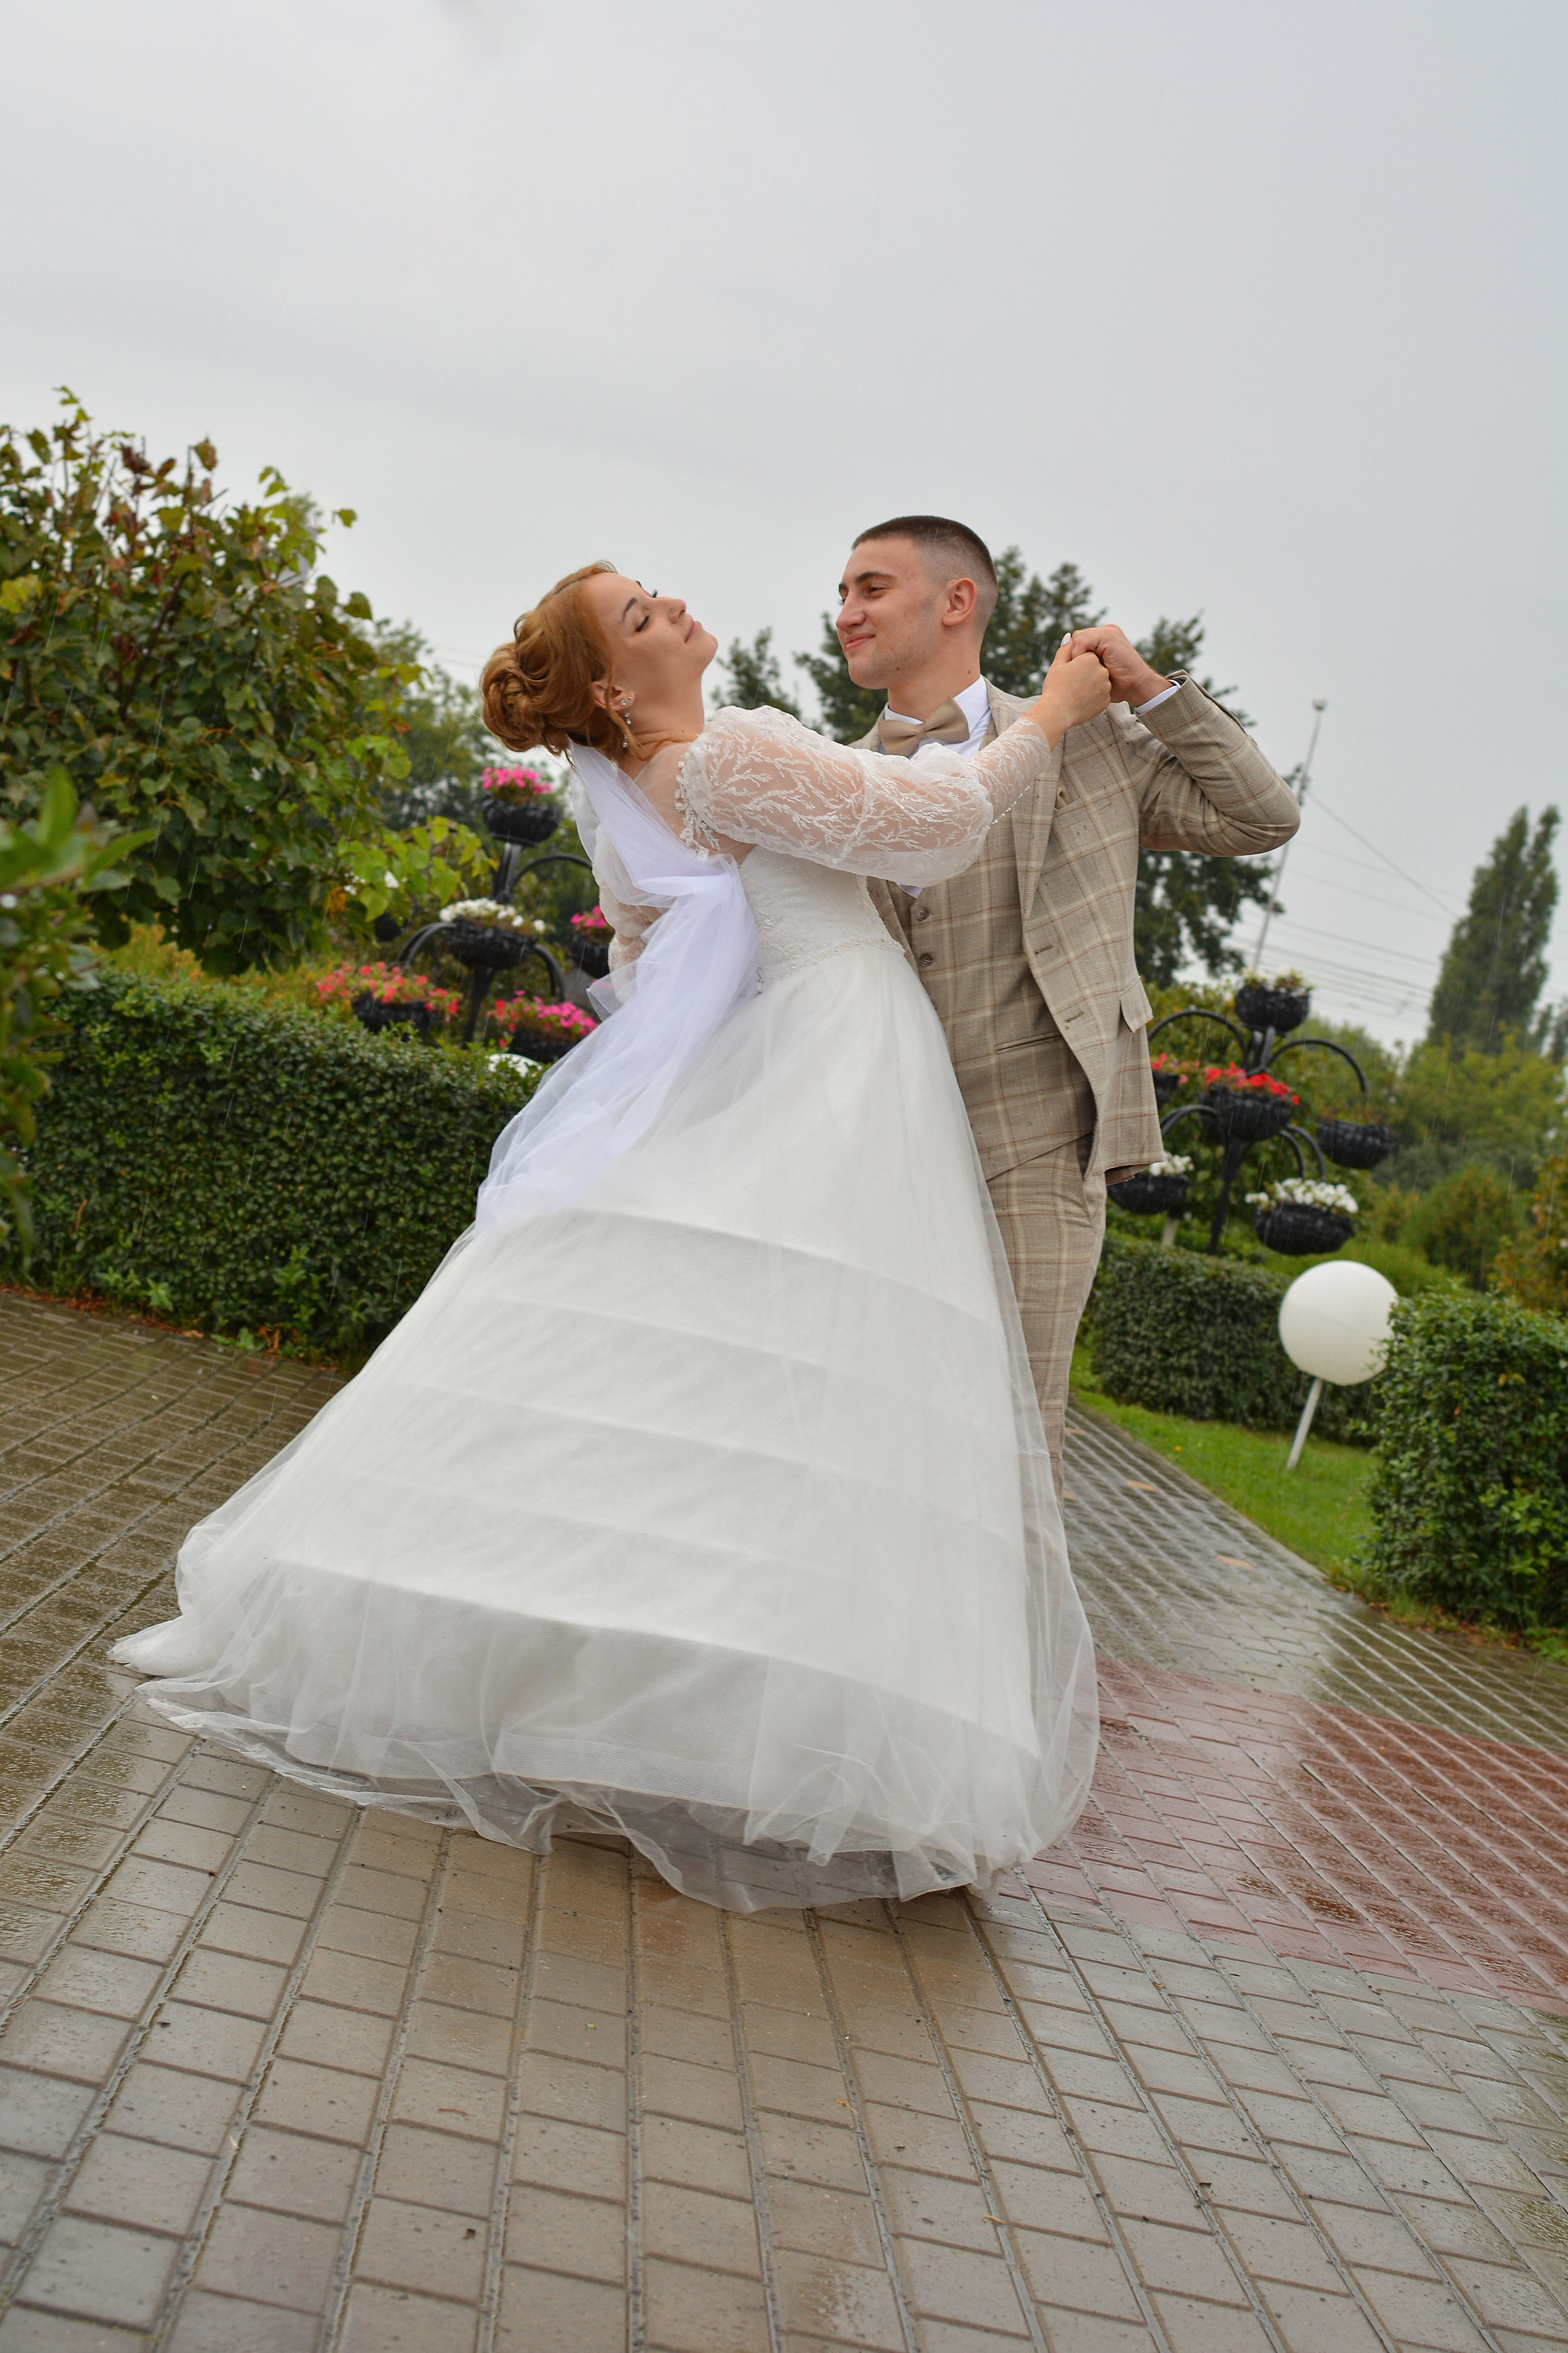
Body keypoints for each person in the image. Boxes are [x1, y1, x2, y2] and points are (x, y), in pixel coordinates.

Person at [113, 562, 1110, 1913]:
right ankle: (717, 1722)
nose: (676, 609)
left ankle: (615, 1698)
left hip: (773, 1050)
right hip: (836, 1052)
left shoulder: (631, 800)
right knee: (794, 1392)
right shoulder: (729, 750)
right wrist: (1045, 716)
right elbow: (929, 824)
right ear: (605, 685)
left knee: (709, 1384)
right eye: (641, 617)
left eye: (656, 595)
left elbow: (642, 965)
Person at [837, 516, 1301, 1481]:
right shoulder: (839, 776)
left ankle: (1003, 1638)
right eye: (842, 595)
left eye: (871, 588)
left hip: (1040, 1136)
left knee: (1012, 1439)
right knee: (877, 1429)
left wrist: (1150, 690)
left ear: (955, 600)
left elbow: (1263, 815)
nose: (847, 614)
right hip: (882, 1143)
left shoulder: (1088, 741)